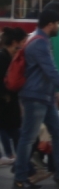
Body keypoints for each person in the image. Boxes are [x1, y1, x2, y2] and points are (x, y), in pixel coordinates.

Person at [13, 3, 59, 189]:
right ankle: (20, 178)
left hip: (45, 97)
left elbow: (48, 73)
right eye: (58, 24)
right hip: (35, 97)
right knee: (28, 138)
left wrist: (55, 94)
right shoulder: (38, 43)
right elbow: (51, 72)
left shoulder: (41, 40)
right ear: (50, 24)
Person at [0, 27, 26, 166]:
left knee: (15, 133)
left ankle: (22, 165)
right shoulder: (3, 57)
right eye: (22, 41)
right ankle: (24, 166)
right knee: (17, 134)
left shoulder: (10, 57)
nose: (24, 44)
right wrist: (5, 95)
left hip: (9, 103)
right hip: (6, 103)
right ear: (15, 42)